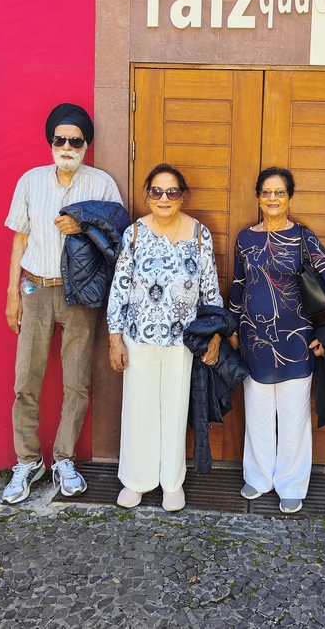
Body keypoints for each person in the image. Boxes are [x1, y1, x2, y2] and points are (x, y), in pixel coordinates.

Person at [3, 103, 123, 504]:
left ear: (86, 144)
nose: (67, 146)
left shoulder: (102, 184)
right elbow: (19, 239)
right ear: (50, 141)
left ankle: (64, 459)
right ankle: (27, 462)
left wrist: (84, 223)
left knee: (77, 383)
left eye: (75, 140)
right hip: (35, 290)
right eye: (60, 139)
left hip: (81, 295)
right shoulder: (31, 181)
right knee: (26, 383)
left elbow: (120, 231)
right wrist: (11, 296)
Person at [229, 167, 325, 513]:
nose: (272, 198)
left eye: (279, 192)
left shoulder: (302, 237)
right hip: (253, 338)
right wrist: (233, 328)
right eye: (266, 192)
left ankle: (292, 482)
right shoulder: (244, 238)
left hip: (297, 340)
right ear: (258, 197)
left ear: (290, 197)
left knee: (294, 415)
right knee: (258, 412)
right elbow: (238, 284)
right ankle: (260, 476)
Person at [107, 164, 222, 511]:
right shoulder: (135, 234)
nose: (164, 198)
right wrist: (114, 340)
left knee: (174, 409)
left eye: (172, 192)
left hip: (182, 341)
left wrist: (215, 335)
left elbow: (210, 291)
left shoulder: (200, 235)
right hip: (138, 337)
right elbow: (120, 289)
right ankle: (136, 480)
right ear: (147, 195)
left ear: (183, 195)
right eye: (156, 191)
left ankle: (172, 482)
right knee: (139, 409)